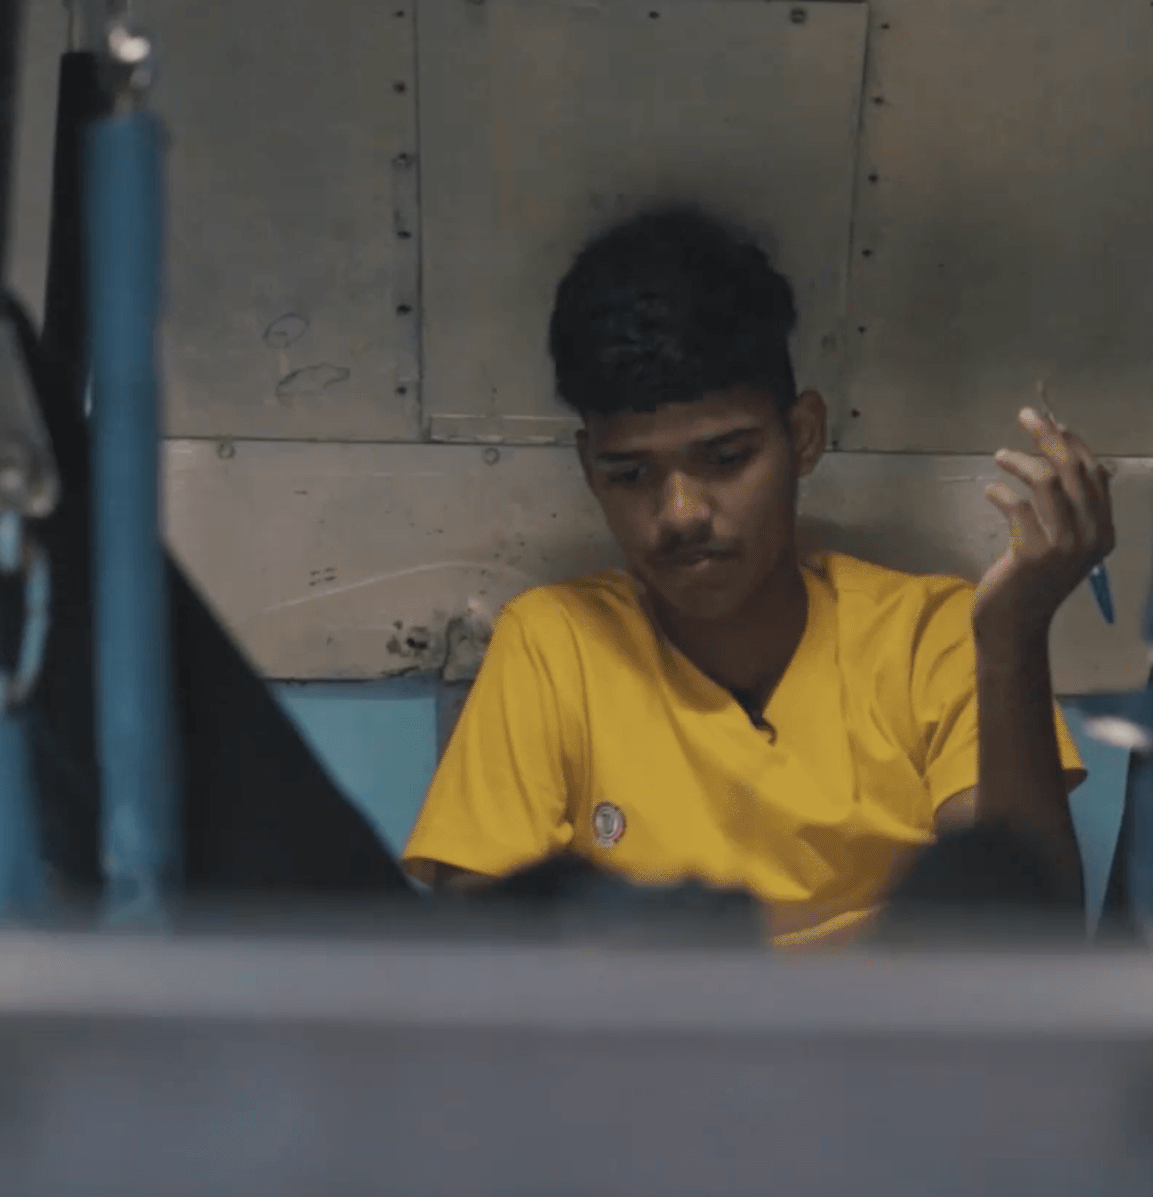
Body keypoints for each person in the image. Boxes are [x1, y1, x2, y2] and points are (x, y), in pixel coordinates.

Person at [402, 206, 1115, 945]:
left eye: (726, 458)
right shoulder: (555, 644)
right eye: (631, 473)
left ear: (802, 436)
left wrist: (1014, 644)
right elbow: (482, 966)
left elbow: (1016, 944)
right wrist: (884, 942)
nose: (680, 513)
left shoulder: (932, 637)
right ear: (590, 469)